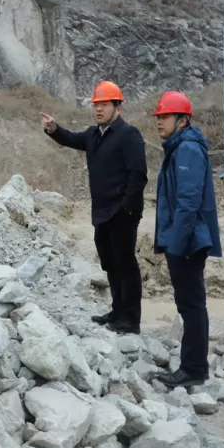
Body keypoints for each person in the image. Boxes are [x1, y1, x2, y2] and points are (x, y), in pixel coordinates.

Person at [41, 81, 147, 334]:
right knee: (110, 263)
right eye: (96, 105)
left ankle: (131, 319)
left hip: (121, 212)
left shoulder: (128, 134)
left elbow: (138, 174)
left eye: (104, 104)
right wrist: (54, 130)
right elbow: (71, 138)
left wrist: (128, 209)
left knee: (125, 264)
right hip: (102, 212)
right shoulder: (93, 135)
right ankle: (117, 311)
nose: (98, 109)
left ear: (118, 107)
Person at [151, 91, 222, 389]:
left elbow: (189, 202)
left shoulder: (188, 150)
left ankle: (193, 369)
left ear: (182, 120)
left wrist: (176, 247)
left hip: (188, 242)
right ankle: (193, 365)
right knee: (189, 304)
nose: (159, 121)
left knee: (192, 306)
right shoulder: (178, 148)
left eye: (165, 116)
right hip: (183, 239)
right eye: (158, 117)